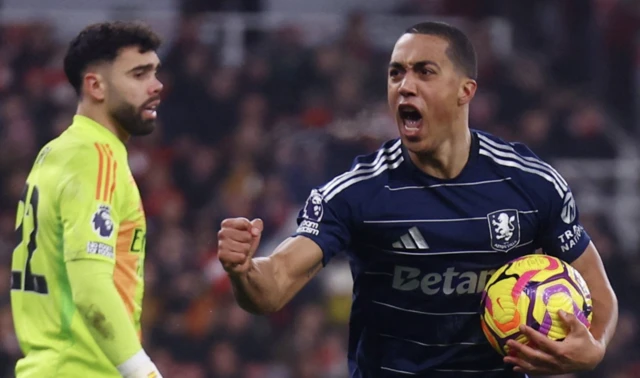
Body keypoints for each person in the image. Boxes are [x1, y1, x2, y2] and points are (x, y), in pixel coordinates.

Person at [217, 21, 618, 377]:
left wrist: (593, 349)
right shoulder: (357, 192)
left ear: (466, 90)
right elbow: (273, 287)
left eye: (424, 71)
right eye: (396, 73)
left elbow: (600, 295)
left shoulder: (532, 184)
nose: (405, 85)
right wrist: (244, 270)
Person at [10, 21, 164, 378]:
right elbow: (92, 288)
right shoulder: (96, 157)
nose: (156, 86)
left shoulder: (56, 152)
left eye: (155, 72)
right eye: (139, 74)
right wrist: (144, 373)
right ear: (96, 85)